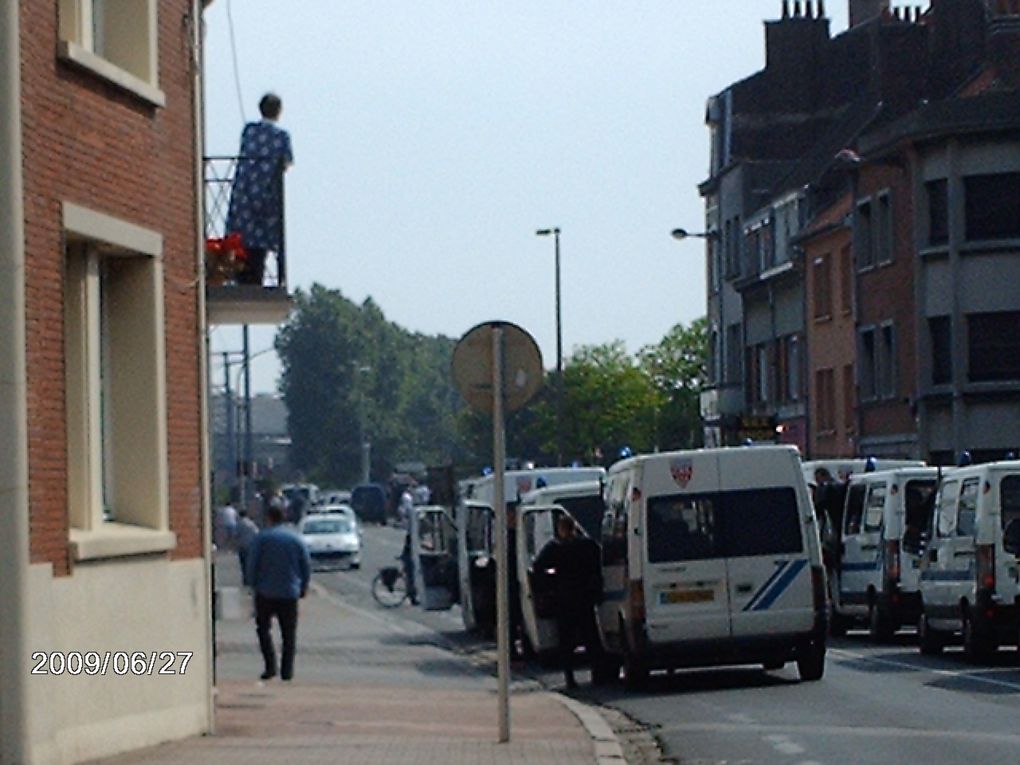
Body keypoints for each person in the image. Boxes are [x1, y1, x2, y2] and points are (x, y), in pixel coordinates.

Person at [226, 93, 294, 286]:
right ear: (279, 111)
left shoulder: (249, 130)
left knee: (241, 241)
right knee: (260, 242)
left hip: (244, 193)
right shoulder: (281, 136)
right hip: (267, 196)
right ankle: (255, 279)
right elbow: (286, 163)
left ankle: (240, 277)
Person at [533, 514, 604, 689]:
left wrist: (549, 584)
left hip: (565, 600)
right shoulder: (587, 545)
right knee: (590, 639)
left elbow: (537, 566)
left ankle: (570, 678)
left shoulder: (555, 548)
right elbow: (599, 560)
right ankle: (597, 674)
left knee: (566, 642)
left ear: (561, 529)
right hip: (584, 598)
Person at [245, 504, 311, 681]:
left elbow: (252, 563)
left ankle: (270, 666)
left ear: (269, 518)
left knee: (263, 629)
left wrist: (251, 584)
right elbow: (305, 564)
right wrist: (304, 586)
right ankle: (287, 670)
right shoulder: (295, 538)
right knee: (289, 633)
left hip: (265, 591)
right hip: (289, 591)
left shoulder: (262, 538)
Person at [235, 509, 260, 585]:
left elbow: (236, 535)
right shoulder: (251, 523)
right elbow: (256, 533)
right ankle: (250, 579)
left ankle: (245, 580)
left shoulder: (239, 524)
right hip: (250, 546)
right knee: (249, 563)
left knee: (243, 565)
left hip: (242, 546)